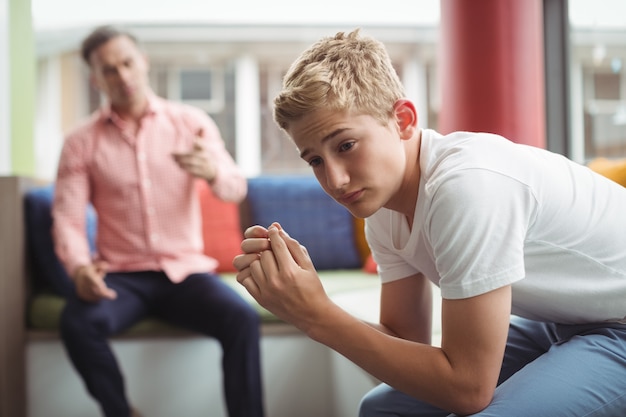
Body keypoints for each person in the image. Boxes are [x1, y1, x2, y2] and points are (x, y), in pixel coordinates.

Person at [233, 29, 626, 417]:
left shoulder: (466, 187)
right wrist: (303, 302)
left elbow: (467, 389)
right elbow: (405, 342)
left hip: (619, 324)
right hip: (563, 319)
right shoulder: (383, 211)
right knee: (383, 409)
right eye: (315, 161)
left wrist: (317, 316)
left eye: (346, 146)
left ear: (402, 120)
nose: (335, 180)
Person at [52, 25, 265, 417]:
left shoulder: (190, 123)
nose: (123, 76)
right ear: (95, 79)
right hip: (122, 277)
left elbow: (235, 188)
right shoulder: (80, 141)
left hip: (185, 273)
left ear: (143, 62)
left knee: (242, 320)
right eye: (109, 69)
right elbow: (67, 215)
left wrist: (212, 172)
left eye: (127, 63)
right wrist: (79, 268)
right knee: (77, 323)